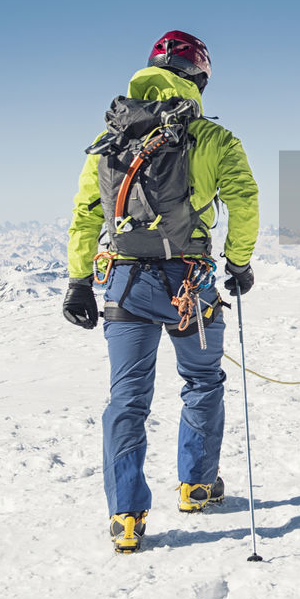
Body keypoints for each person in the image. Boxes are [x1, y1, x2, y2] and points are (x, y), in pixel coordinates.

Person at [62, 30, 259, 553]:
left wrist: (78, 280)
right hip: (188, 284)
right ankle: (196, 486)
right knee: (201, 380)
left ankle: (125, 518)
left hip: (124, 285)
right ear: (198, 79)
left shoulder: (109, 138)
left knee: (127, 400)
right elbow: (244, 200)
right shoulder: (214, 139)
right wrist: (238, 263)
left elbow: (86, 212)